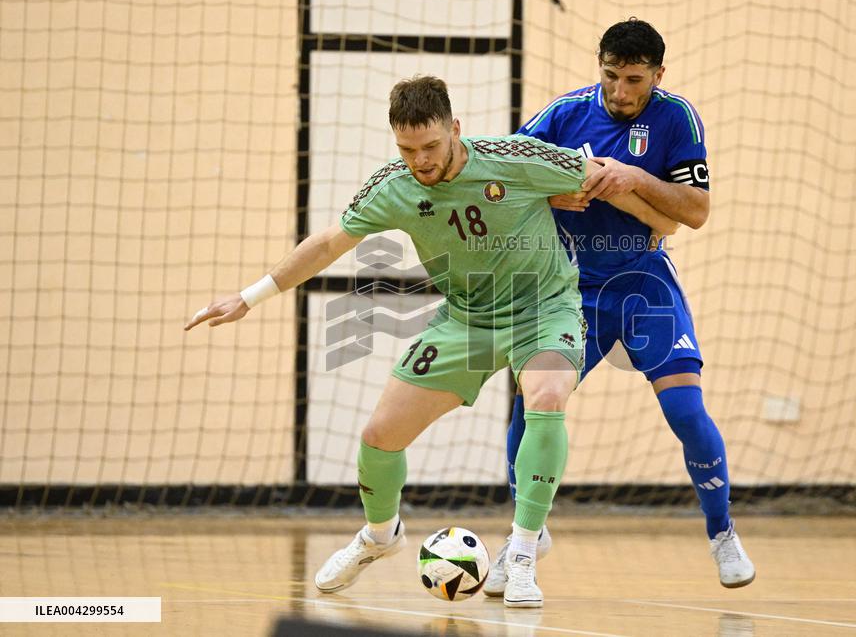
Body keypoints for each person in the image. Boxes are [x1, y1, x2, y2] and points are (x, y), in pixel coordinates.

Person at [184, 75, 678, 608]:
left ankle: (523, 552)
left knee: (547, 396)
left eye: (431, 147)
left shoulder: (515, 157)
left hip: (544, 308)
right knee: (379, 436)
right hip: (465, 319)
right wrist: (249, 296)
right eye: (407, 149)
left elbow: (605, 175)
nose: (420, 160)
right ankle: (380, 535)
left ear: (455, 129)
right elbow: (329, 243)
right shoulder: (395, 186)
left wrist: (657, 225)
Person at [485, 19, 756, 596]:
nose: (620, 91)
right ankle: (523, 537)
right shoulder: (565, 113)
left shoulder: (676, 118)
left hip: (643, 283)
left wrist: (636, 178)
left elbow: (697, 211)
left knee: (685, 410)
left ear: (659, 74)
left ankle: (721, 530)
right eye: (610, 75)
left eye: (634, 79)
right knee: (531, 405)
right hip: (568, 287)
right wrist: (549, 192)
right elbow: (501, 173)